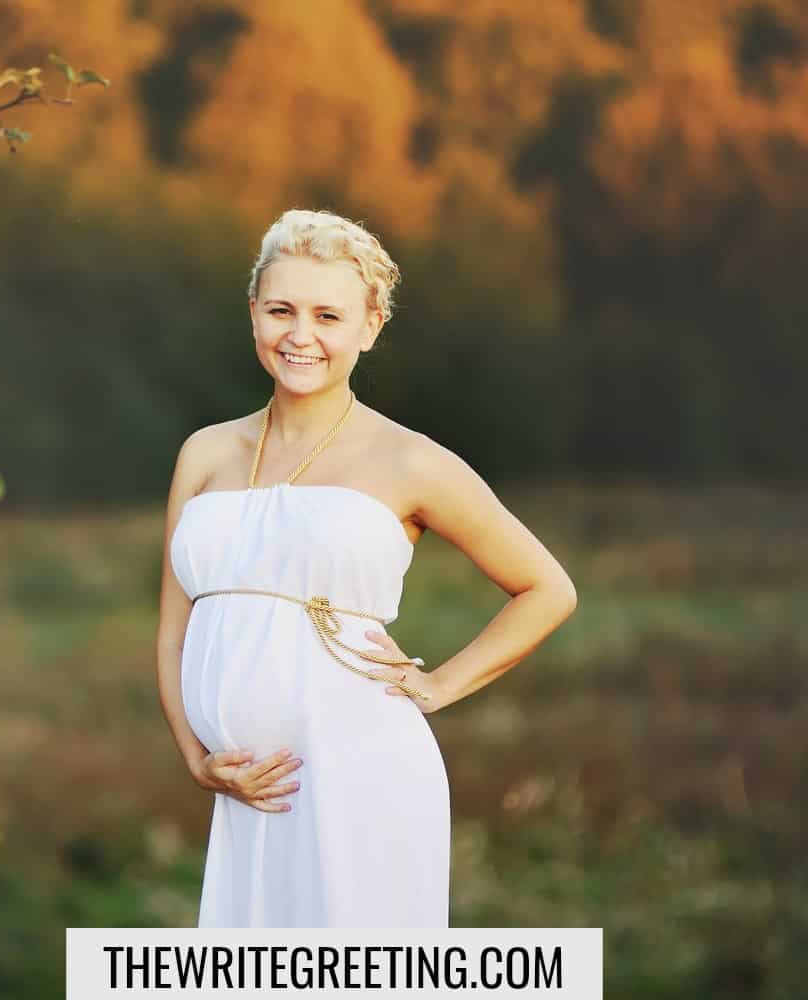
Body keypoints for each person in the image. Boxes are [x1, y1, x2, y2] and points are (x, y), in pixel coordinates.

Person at [156, 208, 578, 928]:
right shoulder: (205, 453)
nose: (301, 335)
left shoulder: (409, 459)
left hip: (362, 775)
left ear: (370, 328)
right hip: (249, 790)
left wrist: (439, 684)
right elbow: (173, 630)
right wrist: (196, 758)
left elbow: (547, 590)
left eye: (329, 316)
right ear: (253, 312)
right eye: (281, 309)